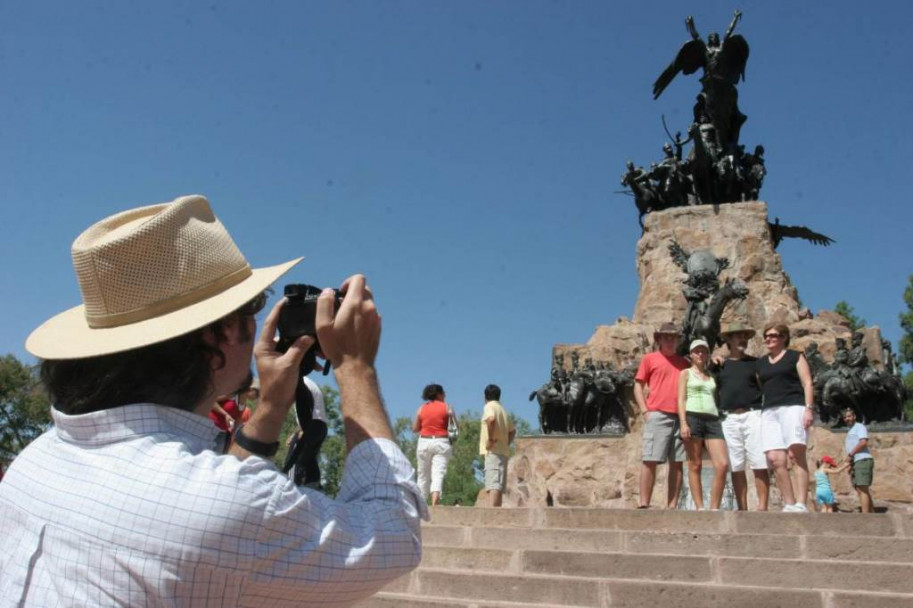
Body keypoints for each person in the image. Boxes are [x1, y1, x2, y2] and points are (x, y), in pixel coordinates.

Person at [0, 195, 425, 606]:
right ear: (220, 333)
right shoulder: (231, 508)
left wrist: (272, 405)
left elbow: (206, 485)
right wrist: (354, 366)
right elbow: (393, 536)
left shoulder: (37, 461)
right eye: (253, 306)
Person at [757, 322, 815, 513]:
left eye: (773, 335)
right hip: (770, 411)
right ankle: (789, 503)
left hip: (793, 407)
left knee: (795, 454)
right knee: (774, 459)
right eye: (766, 335)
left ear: (783, 338)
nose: (769, 339)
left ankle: (801, 502)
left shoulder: (794, 356)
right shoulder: (762, 362)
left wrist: (808, 408)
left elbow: (807, 382)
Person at [634, 322, 689, 509]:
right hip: (657, 414)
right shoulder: (649, 359)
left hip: (680, 417)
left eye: (673, 337)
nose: (670, 341)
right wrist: (644, 411)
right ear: (659, 339)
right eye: (666, 337)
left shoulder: (684, 363)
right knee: (650, 459)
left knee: (677, 462)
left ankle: (672, 505)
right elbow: (638, 386)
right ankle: (644, 503)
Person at [716, 322, 770, 511]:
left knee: (759, 462)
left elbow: (765, 387)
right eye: (738, 335)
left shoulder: (756, 363)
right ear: (728, 339)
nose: (743, 339)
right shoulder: (720, 366)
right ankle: (742, 509)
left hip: (753, 414)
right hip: (729, 418)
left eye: (745, 336)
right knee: (736, 465)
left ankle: (762, 508)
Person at [678, 339, 729, 510]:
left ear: (707, 354)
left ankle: (714, 507)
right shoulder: (685, 373)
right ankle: (700, 507)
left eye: (703, 351)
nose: (700, 354)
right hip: (693, 417)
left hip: (712, 418)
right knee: (695, 464)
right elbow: (681, 398)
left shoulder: (711, 374)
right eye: (697, 351)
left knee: (722, 464)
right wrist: (683, 423)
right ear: (691, 355)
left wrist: (718, 363)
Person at [412, 383, 456, 506]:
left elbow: (415, 428)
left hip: (424, 441)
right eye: (443, 393)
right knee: (438, 472)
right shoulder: (448, 407)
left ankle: (420, 504)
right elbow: (454, 428)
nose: (445, 395)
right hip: (441, 442)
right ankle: (435, 501)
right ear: (439, 394)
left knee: (422, 474)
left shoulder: (421, 408)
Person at [282, 376, 329, 489]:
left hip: (311, 425)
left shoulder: (299, 382)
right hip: (320, 426)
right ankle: (316, 492)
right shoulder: (308, 382)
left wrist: (304, 429)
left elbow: (308, 407)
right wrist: (296, 432)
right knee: (308, 463)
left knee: (292, 462)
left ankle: (289, 491)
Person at [479, 384, 515, 507]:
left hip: (493, 452)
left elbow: (491, 419)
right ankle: (496, 514)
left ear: (485, 397)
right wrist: (506, 443)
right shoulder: (503, 410)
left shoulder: (489, 406)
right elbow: (512, 431)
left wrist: (490, 439)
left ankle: (490, 515)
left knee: (493, 485)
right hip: (503, 452)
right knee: (498, 486)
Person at [843, 407, 875, 513]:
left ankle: (865, 516)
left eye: (849, 416)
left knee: (862, 489)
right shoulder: (850, 431)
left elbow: (863, 442)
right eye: (845, 417)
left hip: (863, 460)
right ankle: (871, 512)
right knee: (859, 489)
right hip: (856, 462)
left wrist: (850, 455)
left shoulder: (859, 427)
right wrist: (850, 464)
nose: (847, 418)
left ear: (854, 416)